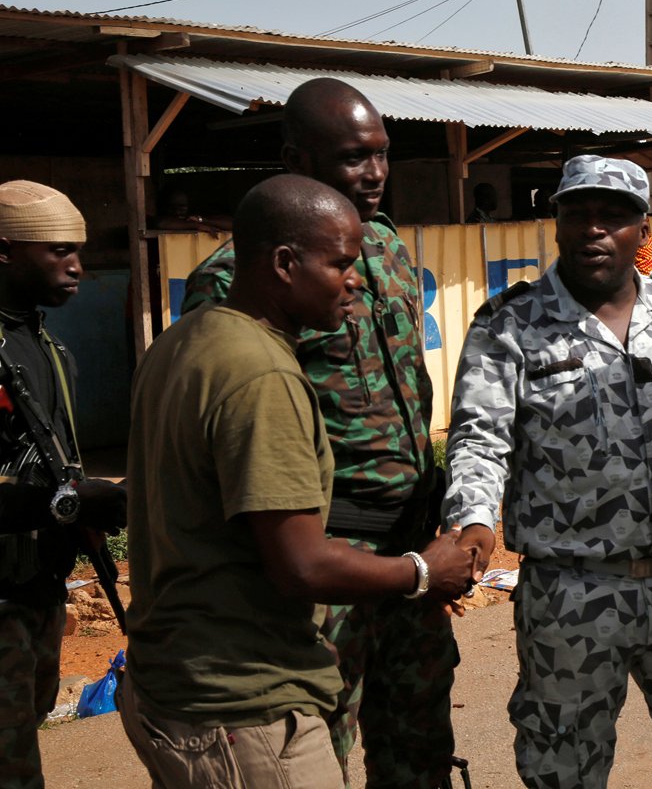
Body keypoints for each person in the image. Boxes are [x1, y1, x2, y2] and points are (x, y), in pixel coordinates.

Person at [120, 175, 479, 789]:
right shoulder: (263, 375)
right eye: (340, 263)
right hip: (244, 701)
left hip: (181, 682)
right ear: (285, 264)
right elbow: (302, 566)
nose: (357, 278)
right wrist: (424, 570)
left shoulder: (185, 342)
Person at [445, 153, 652, 789]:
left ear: (642, 232)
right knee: (563, 767)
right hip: (570, 591)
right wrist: (472, 521)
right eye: (578, 213)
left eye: (614, 216)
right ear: (556, 223)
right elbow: (481, 439)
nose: (595, 228)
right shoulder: (510, 325)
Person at [181, 78, 455, 789]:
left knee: (418, 742)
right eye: (353, 158)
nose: (375, 175)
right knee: (315, 749)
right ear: (296, 158)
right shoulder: (231, 281)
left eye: (383, 155)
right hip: (324, 558)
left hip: (411, 546)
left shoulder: (388, 249)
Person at [0, 181, 126, 789]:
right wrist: (65, 501)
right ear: (4, 253)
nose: (77, 266)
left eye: (78, 249)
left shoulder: (46, 346)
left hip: (37, 587)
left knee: (25, 732)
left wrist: (78, 503)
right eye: (57, 251)